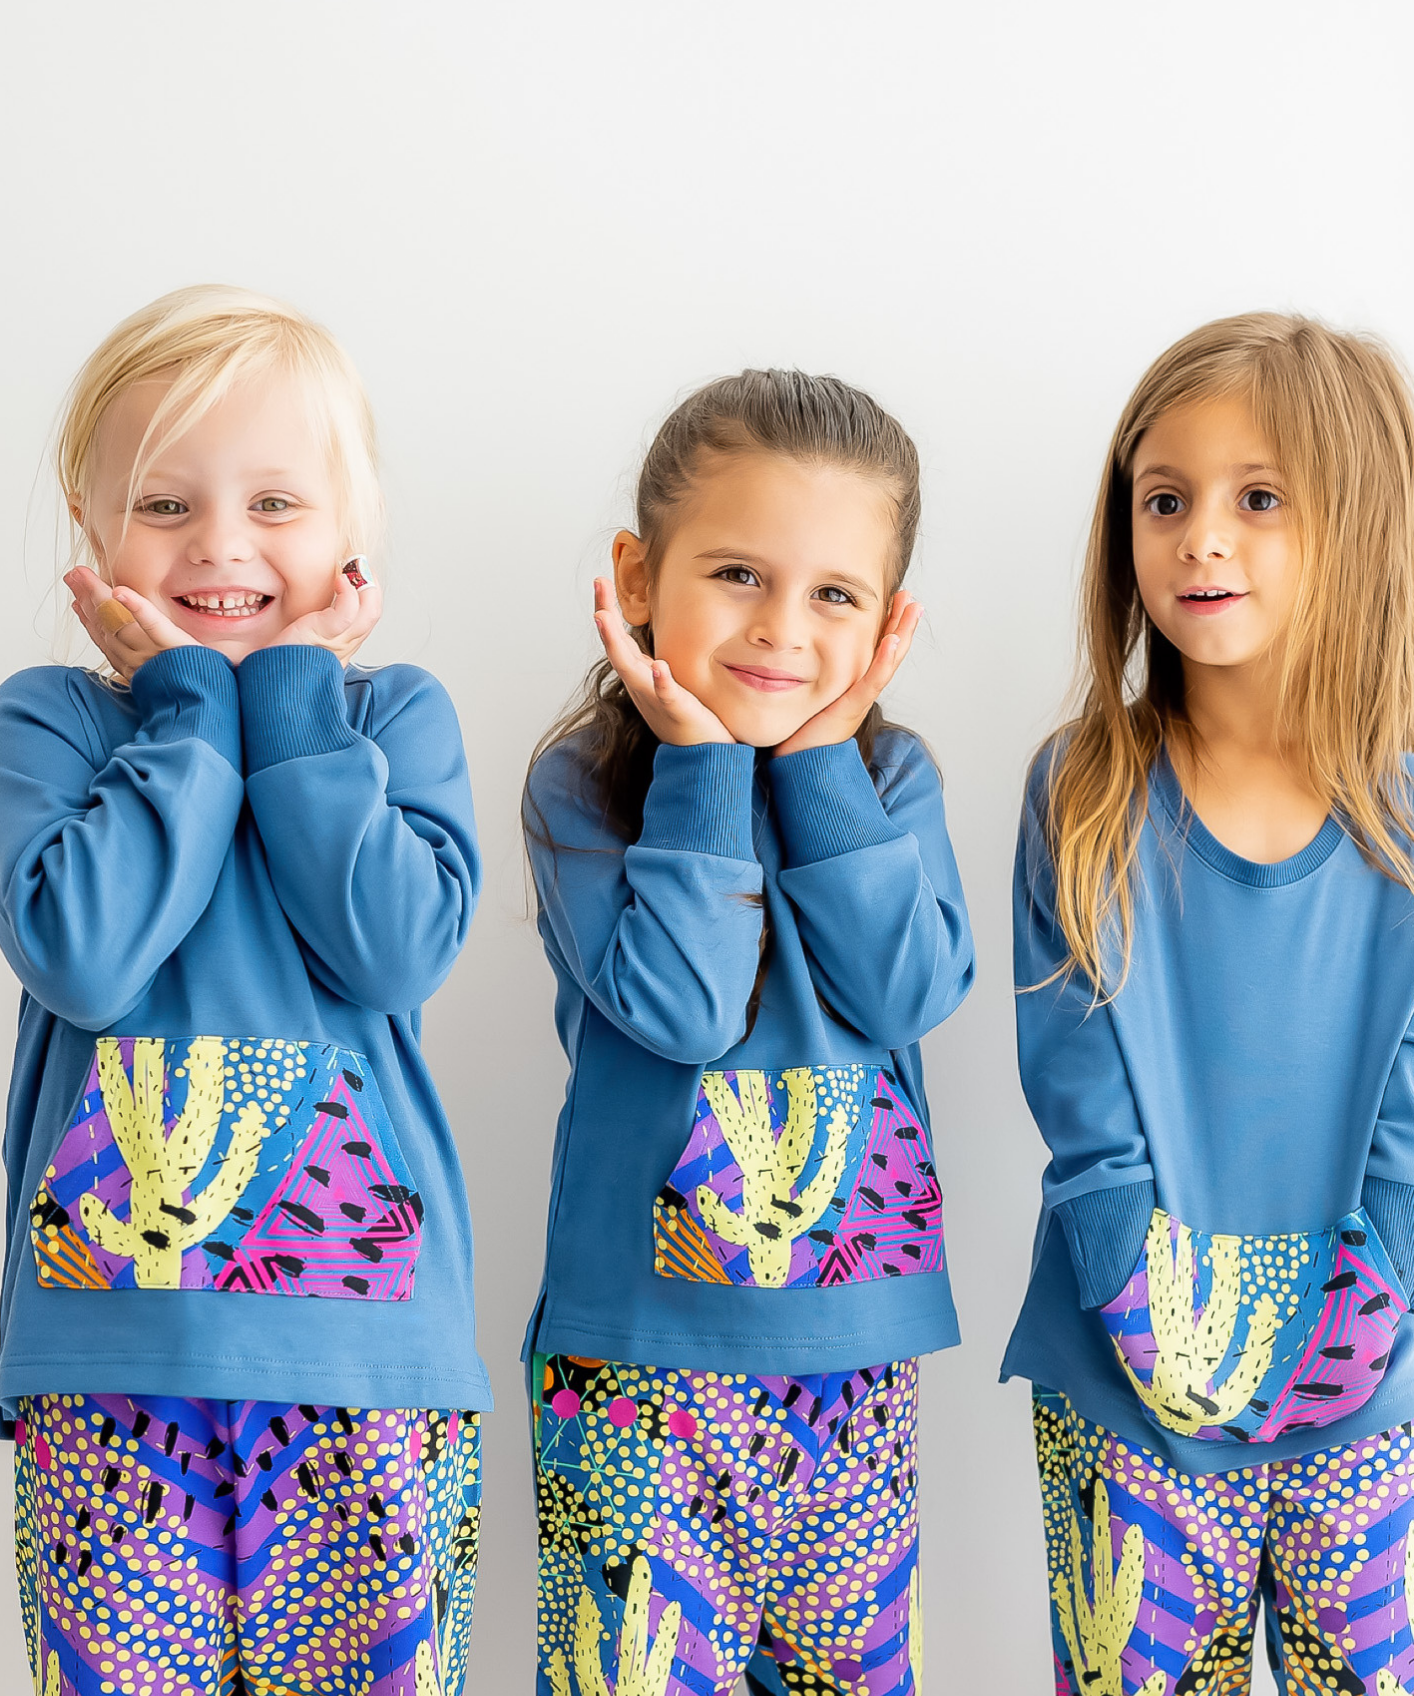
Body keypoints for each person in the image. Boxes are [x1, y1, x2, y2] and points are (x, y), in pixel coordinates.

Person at [0, 285, 486, 1695]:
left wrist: (286, 701)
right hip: (108, 1368)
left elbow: (392, 952)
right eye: (166, 505)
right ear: (91, 534)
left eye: (276, 501)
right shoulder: (50, 721)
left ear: (351, 538)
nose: (219, 544)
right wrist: (189, 709)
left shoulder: (392, 719)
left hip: (369, 1369)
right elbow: (85, 953)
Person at [523, 369, 973, 1696]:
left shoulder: (892, 782)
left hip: (848, 1369)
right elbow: (684, 1004)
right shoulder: (583, 787)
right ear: (638, 572)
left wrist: (821, 764)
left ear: (884, 625)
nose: (781, 628)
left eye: (833, 594)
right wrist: (708, 766)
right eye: (736, 574)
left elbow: (903, 994)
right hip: (632, 1369)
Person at [1003, 313, 1414, 1693]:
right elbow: (1075, 1081)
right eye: (1162, 499)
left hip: (1376, 1387)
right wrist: (1135, 1291)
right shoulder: (1082, 784)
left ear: (1355, 523)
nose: (1199, 540)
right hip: (1121, 1386)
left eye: (1255, 500)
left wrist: (1372, 1304)